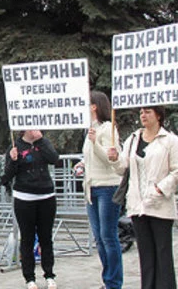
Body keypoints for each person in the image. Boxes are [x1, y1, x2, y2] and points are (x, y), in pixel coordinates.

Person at [108, 106, 178, 289]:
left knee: (163, 254)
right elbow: (122, 168)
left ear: (158, 115)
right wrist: (114, 159)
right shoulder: (134, 139)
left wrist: (161, 188)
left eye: (148, 112)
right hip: (137, 204)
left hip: (160, 204)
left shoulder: (170, 140)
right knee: (146, 256)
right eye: (141, 112)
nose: (143, 115)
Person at [73, 91, 123, 289]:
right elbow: (91, 157)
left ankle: (114, 283)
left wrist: (94, 144)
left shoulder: (108, 128)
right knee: (100, 238)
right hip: (91, 187)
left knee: (109, 236)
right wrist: (82, 164)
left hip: (108, 186)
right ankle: (107, 279)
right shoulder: (90, 130)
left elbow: (110, 158)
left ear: (94, 106)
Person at [1, 130, 60, 289]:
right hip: (24, 197)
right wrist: (13, 160)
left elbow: (54, 159)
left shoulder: (44, 142)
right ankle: (29, 278)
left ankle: (49, 274)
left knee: (45, 237)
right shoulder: (15, 146)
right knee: (27, 238)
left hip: (46, 195)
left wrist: (40, 140)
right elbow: (7, 175)